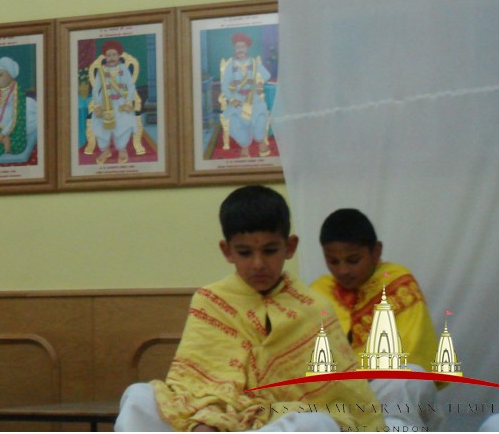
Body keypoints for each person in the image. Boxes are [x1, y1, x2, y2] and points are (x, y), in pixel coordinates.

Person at [115, 185, 384, 432]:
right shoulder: (210, 301)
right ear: (227, 251)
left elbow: (340, 394)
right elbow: (195, 386)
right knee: (138, 396)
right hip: (213, 419)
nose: (258, 264)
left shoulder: (314, 308)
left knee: (314, 423)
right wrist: (207, 420)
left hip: (277, 419)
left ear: (290, 247)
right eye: (245, 253)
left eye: (270, 250)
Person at [310, 208, 438, 370]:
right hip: (338, 382)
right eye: (333, 262)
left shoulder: (397, 284)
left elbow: (411, 352)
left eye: (353, 260)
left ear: (376, 251)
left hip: (388, 378)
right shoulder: (320, 292)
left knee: (412, 374)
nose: (343, 271)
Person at [218, 32, 272, 158]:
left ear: (247, 48)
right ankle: (244, 146)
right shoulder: (230, 65)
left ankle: (261, 141)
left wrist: (259, 82)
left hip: (254, 98)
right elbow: (225, 86)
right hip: (238, 99)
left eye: (242, 47)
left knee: (259, 118)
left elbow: (267, 76)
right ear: (235, 49)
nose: (240, 50)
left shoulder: (254, 63)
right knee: (236, 122)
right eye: (238, 47)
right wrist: (232, 99)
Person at [87, 41, 138, 164]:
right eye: (109, 55)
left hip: (121, 103)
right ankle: (105, 150)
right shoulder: (101, 71)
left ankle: (122, 149)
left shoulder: (123, 69)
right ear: (105, 57)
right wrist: (97, 105)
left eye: (114, 55)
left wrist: (128, 102)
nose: (111, 58)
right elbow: (96, 89)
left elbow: (131, 87)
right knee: (100, 126)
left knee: (124, 124)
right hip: (104, 103)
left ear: (119, 56)